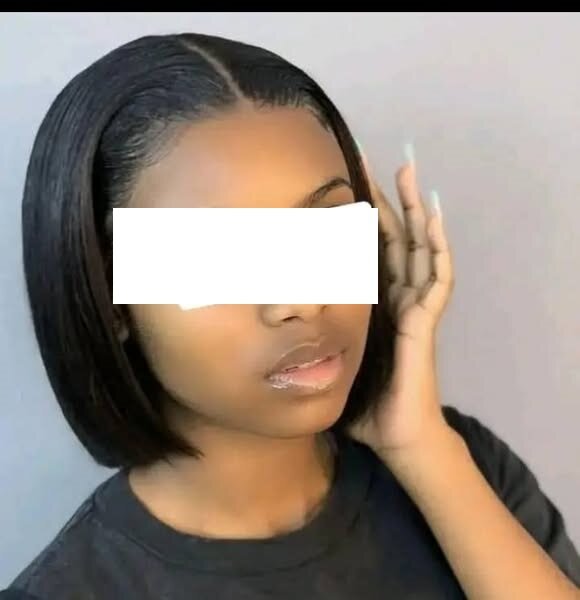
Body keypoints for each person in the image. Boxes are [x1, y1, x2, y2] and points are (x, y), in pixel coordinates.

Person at [3, 33, 579, 599]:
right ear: (108, 297)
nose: (301, 301)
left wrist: (420, 448)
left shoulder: (463, 465)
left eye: (325, 231)